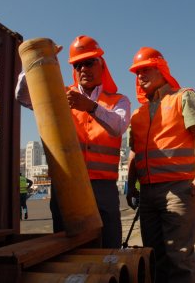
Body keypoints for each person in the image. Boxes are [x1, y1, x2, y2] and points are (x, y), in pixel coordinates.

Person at [15, 35, 131, 248]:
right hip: (66, 184)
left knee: (108, 244)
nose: (83, 68)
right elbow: (23, 97)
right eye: (78, 65)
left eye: (89, 62)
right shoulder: (60, 94)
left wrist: (91, 107)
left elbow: (118, 126)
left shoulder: (118, 100)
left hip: (103, 187)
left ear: (101, 64)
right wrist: (37, 60)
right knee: (68, 245)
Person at [126, 47, 195, 283]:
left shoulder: (183, 97)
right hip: (149, 193)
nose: (140, 75)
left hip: (179, 189)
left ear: (161, 69)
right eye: (137, 72)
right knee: (154, 255)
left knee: (179, 256)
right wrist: (131, 185)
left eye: (145, 69)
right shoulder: (138, 113)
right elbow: (134, 152)